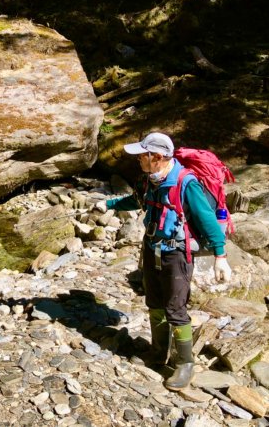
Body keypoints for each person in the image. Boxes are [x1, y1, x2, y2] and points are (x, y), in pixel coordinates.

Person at [94, 132, 232, 391]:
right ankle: (158, 352)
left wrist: (220, 256)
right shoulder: (150, 181)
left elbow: (207, 220)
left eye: (142, 156)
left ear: (156, 157)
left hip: (176, 253)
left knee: (175, 307)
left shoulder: (185, 183)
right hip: (151, 248)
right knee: (154, 302)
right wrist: (109, 204)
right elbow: (136, 201)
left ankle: (185, 364)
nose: (137, 160)